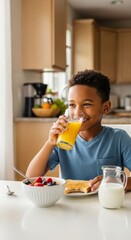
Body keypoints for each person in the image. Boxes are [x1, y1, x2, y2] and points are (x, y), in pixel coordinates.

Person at [26, 69, 131, 191]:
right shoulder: (62, 139)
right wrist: (50, 143)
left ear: (106, 107)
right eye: (72, 105)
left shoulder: (119, 139)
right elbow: (31, 178)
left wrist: (116, 181)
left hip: (107, 205)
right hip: (70, 207)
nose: (77, 112)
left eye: (86, 104)